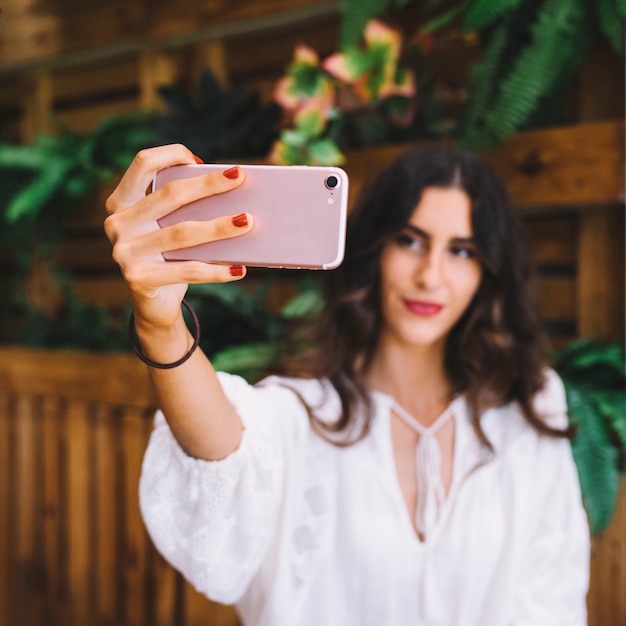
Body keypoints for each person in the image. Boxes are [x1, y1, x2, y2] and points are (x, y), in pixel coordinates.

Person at [104, 143, 590, 626]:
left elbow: (553, 593)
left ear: (489, 271)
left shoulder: (530, 403)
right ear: (373, 249)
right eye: (410, 240)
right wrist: (162, 327)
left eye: (462, 250)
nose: (431, 276)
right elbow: (224, 453)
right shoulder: (302, 413)